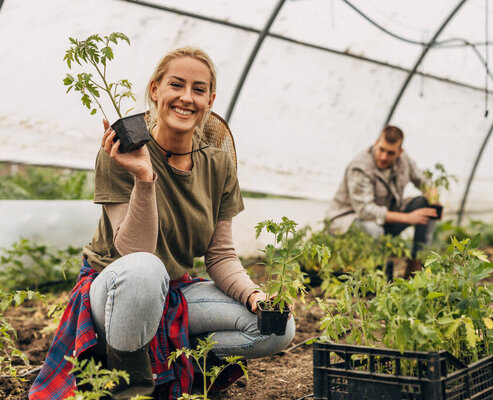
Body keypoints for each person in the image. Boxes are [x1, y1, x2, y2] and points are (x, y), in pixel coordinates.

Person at [30, 47, 295, 400]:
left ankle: (180, 363)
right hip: (113, 292)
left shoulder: (218, 164)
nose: (187, 98)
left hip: (173, 291)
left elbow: (220, 255)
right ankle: (129, 384)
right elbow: (133, 252)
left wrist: (255, 295)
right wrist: (143, 175)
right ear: (155, 90)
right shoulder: (121, 153)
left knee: (278, 328)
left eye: (198, 90)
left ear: (210, 99)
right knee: (145, 269)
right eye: (177, 85)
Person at [326, 125, 438, 276]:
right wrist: (407, 218)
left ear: (400, 152)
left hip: (386, 217)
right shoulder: (360, 166)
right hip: (350, 220)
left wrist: (435, 202)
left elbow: (426, 183)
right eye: (381, 150)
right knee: (373, 228)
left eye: (390, 153)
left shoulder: (404, 161)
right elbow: (365, 211)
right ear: (376, 143)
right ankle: (379, 272)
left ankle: (416, 263)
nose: (384, 156)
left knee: (427, 207)